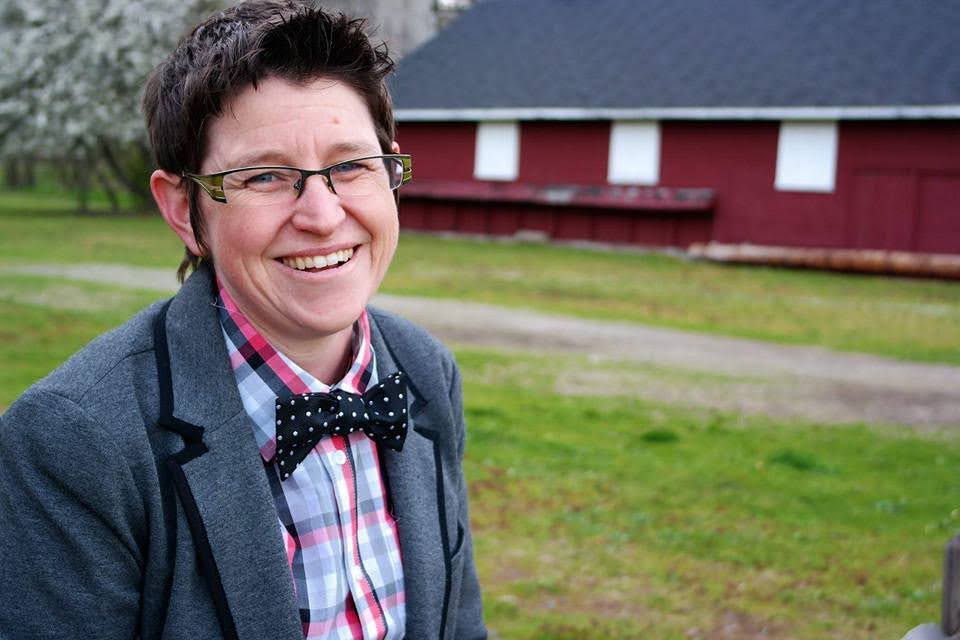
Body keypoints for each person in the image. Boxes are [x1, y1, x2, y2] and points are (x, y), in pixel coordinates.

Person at [0, 2, 486, 639]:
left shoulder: (424, 370)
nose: (321, 213)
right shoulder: (72, 442)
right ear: (183, 210)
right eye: (264, 175)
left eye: (351, 166)